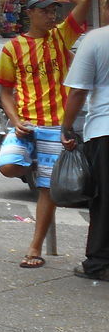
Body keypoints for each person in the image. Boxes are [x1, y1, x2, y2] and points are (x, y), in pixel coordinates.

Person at [0, 0, 90, 268]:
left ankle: (34, 248)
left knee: (47, 191)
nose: (51, 16)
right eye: (45, 10)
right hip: (25, 123)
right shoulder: (12, 47)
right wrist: (14, 120)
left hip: (55, 125)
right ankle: (36, 166)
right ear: (30, 14)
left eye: (54, 11)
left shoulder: (61, 36)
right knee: (8, 166)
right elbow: (5, 92)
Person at [59, 24, 109, 281]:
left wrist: (66, 127)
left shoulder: (97, 38)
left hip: (104, 130)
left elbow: (78, 90)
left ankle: (99, 263)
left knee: (103, 199)